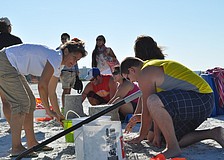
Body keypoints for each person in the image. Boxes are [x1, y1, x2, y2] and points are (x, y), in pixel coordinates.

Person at [120, 36, 224, 159]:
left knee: (152, 101)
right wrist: (155, 132)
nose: (131, 81)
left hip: (201, 97)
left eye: (127, 77)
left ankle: (172, 147)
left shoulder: (145, 72)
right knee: (169, 137)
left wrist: (140, 136)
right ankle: (214, 133)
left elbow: (150, 106)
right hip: (203, 101)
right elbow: (157, 108)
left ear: (132, 70)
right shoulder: (149, 67)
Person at [0, 40, 87, 157]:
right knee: (21, 104)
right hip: (5, 61)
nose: (74, 62)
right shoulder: (56, 57)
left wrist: (57, 113)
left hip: (12, 65)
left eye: (77, 60)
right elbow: (42, 85)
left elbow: (52, 92)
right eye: (74, 57)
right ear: (66, 51)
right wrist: (48, 110)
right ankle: (16, 147)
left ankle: (32, 143)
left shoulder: (58, 65)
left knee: (30, 103)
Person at [0, 17, 23, 132]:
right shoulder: (16, 40)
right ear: (9, 27)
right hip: (12, 73)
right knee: (17, 101)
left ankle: (11, 125)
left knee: (4, 101)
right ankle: (16, 125)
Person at [57, 33, 80, 109]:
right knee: (65, 90)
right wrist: (59, 71)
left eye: (66, 38)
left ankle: (67, 107)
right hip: (64, 71)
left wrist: (77, 70)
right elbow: (56, 61)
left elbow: (76, 60)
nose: (64, 40)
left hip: (72, 71)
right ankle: (64, 108)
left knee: (69, 90)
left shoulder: (73, 49)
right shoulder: (59, 49)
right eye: (63, 38)